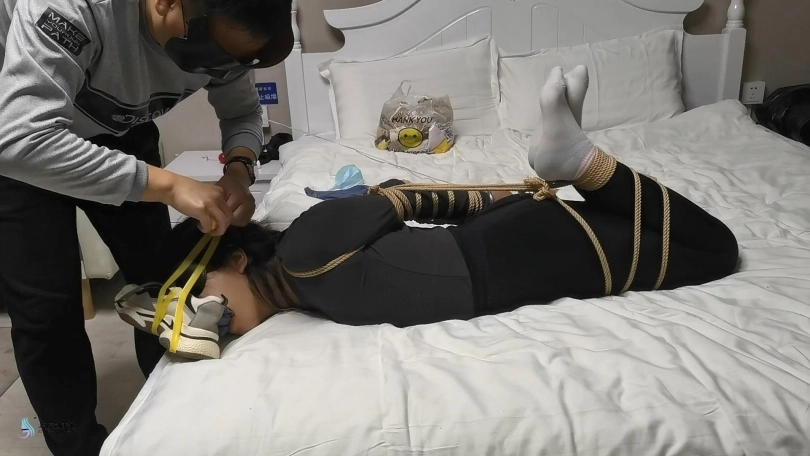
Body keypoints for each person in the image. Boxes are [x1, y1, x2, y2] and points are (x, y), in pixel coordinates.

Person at [116, 66, 739, 359]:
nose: (211, 315)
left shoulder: (302, 251)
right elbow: (187, 328)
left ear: (236, 256)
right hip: (512, 252)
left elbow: (405, 196)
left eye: (201, 293)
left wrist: (510, 194)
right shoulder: (298, 289)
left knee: (715, 249)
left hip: (512, 252)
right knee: (667, 238)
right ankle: (572, 157)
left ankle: (576, 160)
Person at [0, 0, 292, 453]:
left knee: (161, 279)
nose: (215, 69)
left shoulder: (232, 33)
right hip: (22, 140)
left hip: (121, 133)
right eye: (209, 52)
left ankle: (169, 416)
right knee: (46, 311)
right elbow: (20, 141)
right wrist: (170, 186)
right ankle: (74, 444)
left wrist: (239, 168)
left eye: (229, 63)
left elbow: (243, 113)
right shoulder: (75, 7)